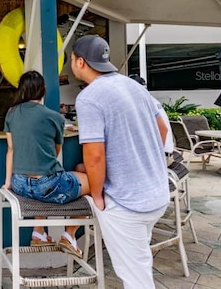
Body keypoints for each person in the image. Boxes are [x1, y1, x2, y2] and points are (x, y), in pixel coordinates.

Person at [70, 35, 169, 288]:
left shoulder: (89, 97)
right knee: (140, 263)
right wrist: (144, 159)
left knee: (135, 278)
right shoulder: (133, 85)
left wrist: (97, 194)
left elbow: (94, 154)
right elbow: (163, 130)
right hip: (155, 194)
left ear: (80, 61)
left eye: (71, 59)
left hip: (127, 202)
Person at [2, 70, 90, 257]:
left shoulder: (11, 113)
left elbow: (11, 149)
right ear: (42, 91)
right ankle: (69, 234)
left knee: (40, 186)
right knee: (92, 180)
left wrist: (8, 182)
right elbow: (56, 151)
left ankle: (39, 232)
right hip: (47, 186)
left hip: (19, 184)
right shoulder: (55, 117)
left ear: (22, 90)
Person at [129, 74, 175, 162]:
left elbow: (163, 130)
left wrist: (157, 157)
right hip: (166, 152)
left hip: (162, 156)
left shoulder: (144, 103)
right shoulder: (151, 100)